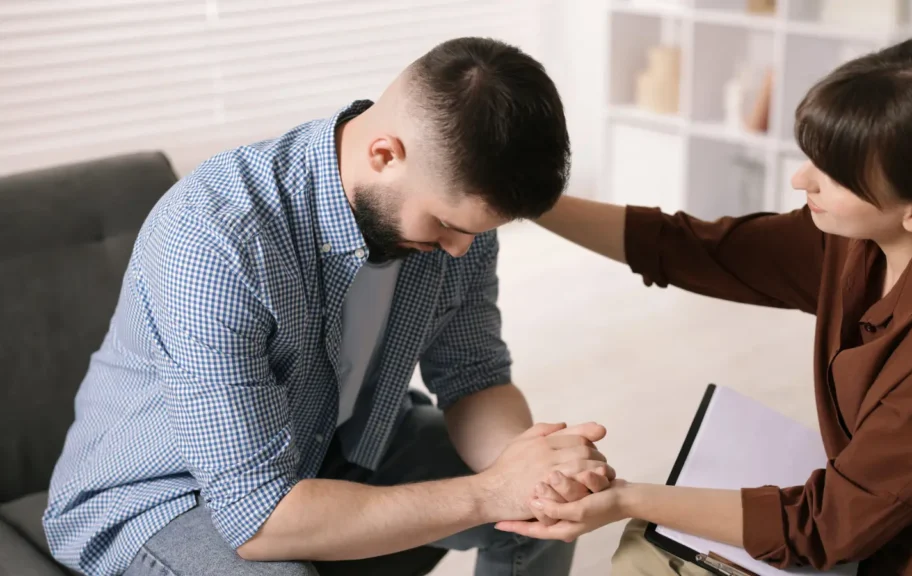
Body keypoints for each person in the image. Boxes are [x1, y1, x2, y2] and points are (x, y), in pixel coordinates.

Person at [43, 37, 615, 576]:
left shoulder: (456, 219)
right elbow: (256, 516)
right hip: (163, 492)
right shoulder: (216, 237)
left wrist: (532, 467)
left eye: (475, 231)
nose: (461, 248)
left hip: (340, 439)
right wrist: (491, 492)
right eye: (444, 224)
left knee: (545, 514)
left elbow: (474, 377)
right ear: (385, 154)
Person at [496, 37, 912, 575]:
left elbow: (826, 528)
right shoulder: (868, 232)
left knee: (647, 557)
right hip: (877, 513)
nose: (801, 179)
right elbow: (698, 248)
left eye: (833, 174)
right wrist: (527, 199)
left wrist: (626, 499)